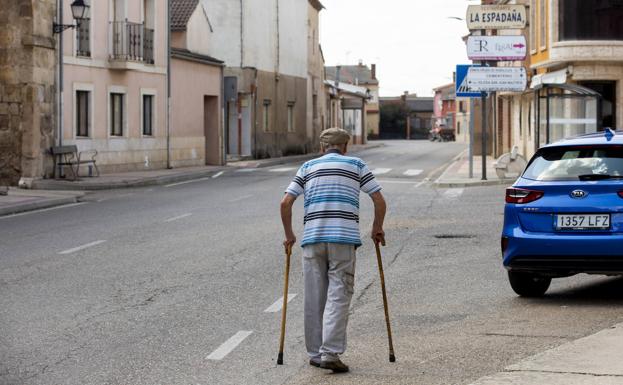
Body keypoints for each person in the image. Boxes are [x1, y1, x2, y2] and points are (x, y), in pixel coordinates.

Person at [280, 127, 387, 373]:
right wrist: (377, 228)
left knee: (314, 297)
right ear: (345, 146)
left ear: (321, 147)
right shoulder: (356, 164)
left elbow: (286, 202)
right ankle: (330, 353)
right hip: (343, 239)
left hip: (312, 239)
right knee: (339, 294)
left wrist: (289, 235)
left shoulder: (307, 167)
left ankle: (316, 353)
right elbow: (378, 199)